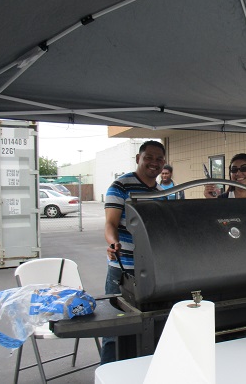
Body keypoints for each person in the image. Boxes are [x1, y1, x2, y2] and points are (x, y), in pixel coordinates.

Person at [102, 140, 166, 364]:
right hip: (122, 271)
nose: (154, 162)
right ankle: (108, 374)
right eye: (148, 157)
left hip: (150, 274)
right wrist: (113, 243)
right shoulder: (120, 186)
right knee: (114, 333)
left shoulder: (160, 193)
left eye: (159, 159)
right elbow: (110, 224)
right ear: (138, 158)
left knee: (147, 330)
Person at [203, 153, 246, 336]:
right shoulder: (222, 201)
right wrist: (209, 205)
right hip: (231, 274)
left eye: (244, 168)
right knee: (232, 327)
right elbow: (211, 235)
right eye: (234, 169)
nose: (239, 173)